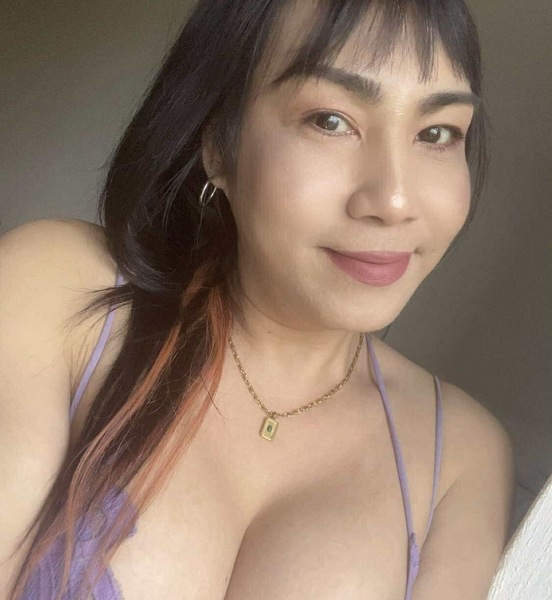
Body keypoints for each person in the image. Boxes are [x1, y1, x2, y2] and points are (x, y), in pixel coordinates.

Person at [0, 0, 516, 598]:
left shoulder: (462, 458)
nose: (395, 201)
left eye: (437, 133)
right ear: (218, 146)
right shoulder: (58, 287)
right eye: (330, 120)